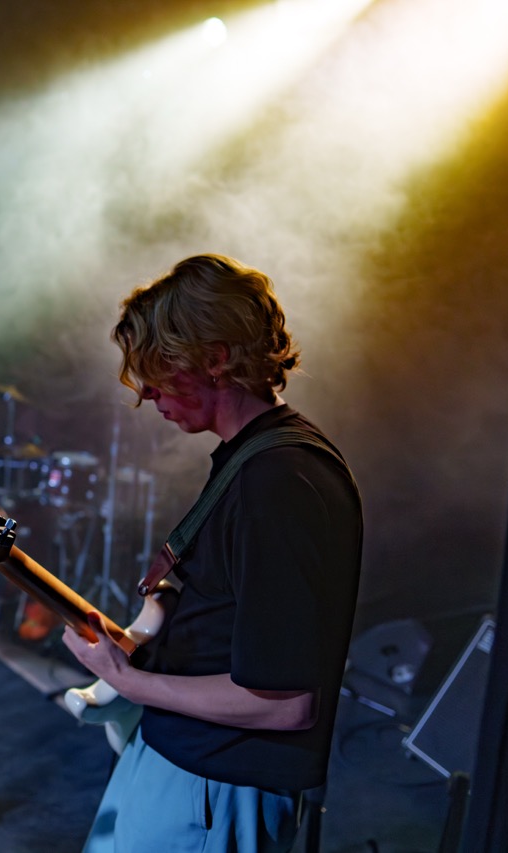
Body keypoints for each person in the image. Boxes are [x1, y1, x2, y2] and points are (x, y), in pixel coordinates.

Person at [63, 254, 363, 853]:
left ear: (217, 357)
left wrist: (128, 680)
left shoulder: (282, 479)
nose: (145, 394)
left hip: (217, 785)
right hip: (186, 761)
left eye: (155, 370)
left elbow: (285, 704)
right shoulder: (252, 460)